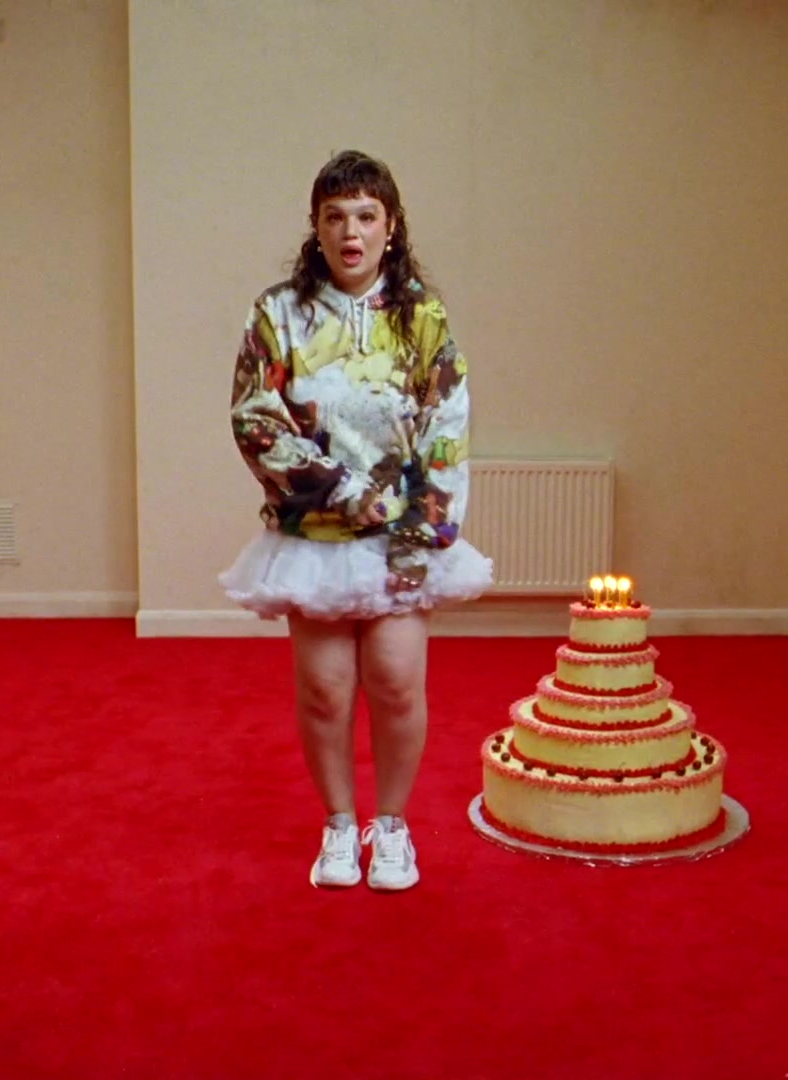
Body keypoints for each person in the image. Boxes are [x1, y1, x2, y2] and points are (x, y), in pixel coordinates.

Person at [220, 150, 493, 891]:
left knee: (397, 682)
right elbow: (254, 418)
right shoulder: (278, 313)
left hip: (400, 535)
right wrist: (338, 490)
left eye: (366, 216)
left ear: (390, 226)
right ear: (316, 226)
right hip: (315, 535)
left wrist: (425, 530)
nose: (351, 232)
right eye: (335, 216)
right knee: (325, 690)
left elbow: (447, 422)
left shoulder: (422, 318)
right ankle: (340, 825)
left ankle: (392, 826)